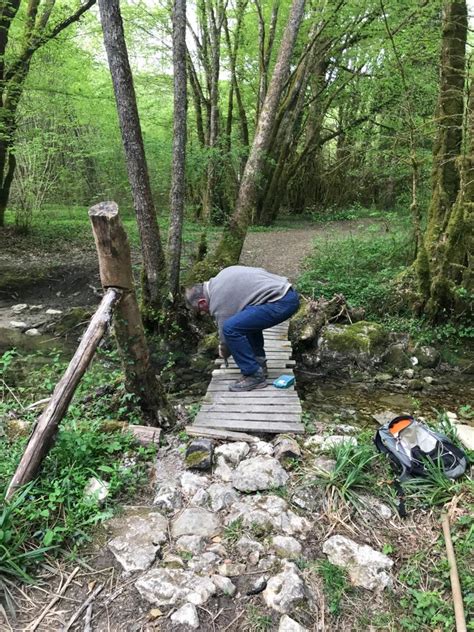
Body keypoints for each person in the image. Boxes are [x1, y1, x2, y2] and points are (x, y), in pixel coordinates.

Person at [185, 266, 300, 391]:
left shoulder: (218, 298)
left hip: (281, 302)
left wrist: (224, 350)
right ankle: (259, 363)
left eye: (200, 311)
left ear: (202, 302)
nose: (204, 313)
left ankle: (253, 375)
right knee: (243, 320)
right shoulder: (220, 278)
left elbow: (226, 335)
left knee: (231, 328)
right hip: (287, 294)